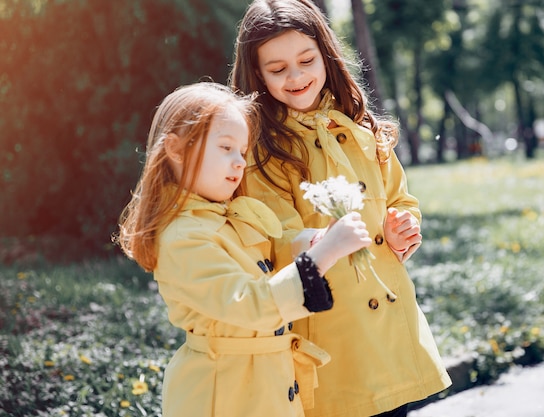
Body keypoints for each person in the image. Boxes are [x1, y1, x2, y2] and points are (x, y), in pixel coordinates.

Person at [229, 1, 452, 416]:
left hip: (386, 315)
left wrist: (404, 226)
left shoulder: (358, 127)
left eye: (306, 60)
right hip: (331, 327)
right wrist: (320, 242)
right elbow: (272, 235)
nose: (295, 77)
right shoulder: (265, 150)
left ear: (326, 56)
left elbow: (399, 197)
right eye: (277, 70)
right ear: (256, 73)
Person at [115, 82, 372, 417]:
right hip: (225, 395)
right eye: (225, 147)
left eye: (242, 151)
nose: (239, 163)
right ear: (176, 150)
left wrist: (313, 241)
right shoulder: (183, 237)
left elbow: (265, 257)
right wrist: (323, 255)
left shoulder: (222, 216)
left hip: (261, 386)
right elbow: (252, 304)